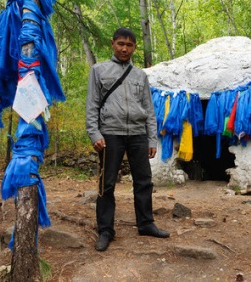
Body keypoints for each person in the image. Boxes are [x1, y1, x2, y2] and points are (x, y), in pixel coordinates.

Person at [86, 28, 170, 252]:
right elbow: (92, 105)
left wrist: (152, 139)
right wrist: (94, 133)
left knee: (144, 181)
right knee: (107, 184)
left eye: (129, 45)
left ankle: (146, 223)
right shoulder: (99, 70)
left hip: (138, 134)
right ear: (112, 44)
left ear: (134, 48)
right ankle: (105, 230)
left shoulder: (140, 75)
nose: (124, 48)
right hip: (110, 134)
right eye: (121, 44)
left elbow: (149, 110)